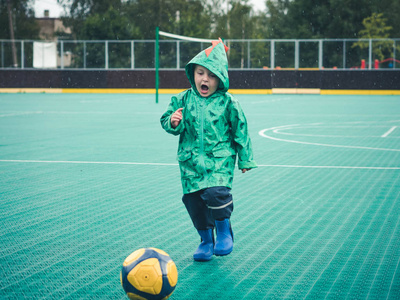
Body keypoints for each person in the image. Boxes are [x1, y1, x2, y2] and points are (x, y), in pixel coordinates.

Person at [160, 38, 257, 261]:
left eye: (212, 75)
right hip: (190, 163)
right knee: (193, 201)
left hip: (219, 161)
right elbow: (167, 119)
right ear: (193, 73)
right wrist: (174, 122)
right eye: (201, 73)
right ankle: (205, 240)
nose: (205, 79)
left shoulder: (227, 102)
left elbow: (240, 129)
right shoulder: (182, 98)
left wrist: (245, 159)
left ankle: (224, 232)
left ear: (220, 78)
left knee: (216, 194)